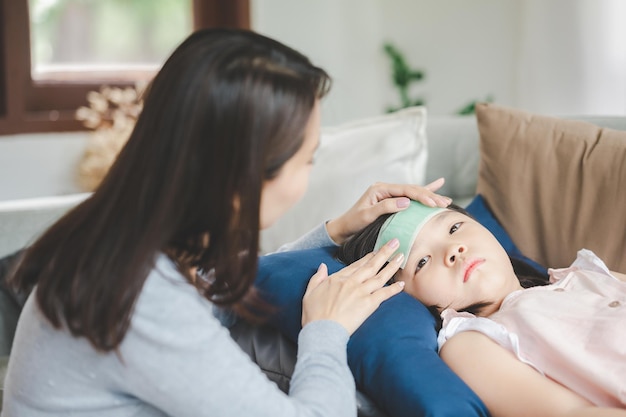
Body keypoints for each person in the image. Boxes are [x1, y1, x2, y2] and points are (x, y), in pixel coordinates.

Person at [1, 28, 451, 417]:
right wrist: (325, 330)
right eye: (307, 159)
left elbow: (219, 288)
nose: (309, 174)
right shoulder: (137, 295)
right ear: (243, 178)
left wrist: (336, 231)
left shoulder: (126, 241)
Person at [337, 200, 626, 416]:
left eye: (454, 227)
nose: (453, 250)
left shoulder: (587, 274)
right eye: (421, 262)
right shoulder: (472, 343)